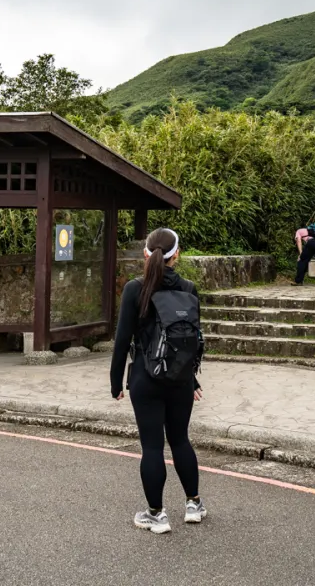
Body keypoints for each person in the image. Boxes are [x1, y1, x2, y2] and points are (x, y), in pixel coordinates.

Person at [110, 228, 205, 534]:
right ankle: (193, 505)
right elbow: (191, 341)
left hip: (144, 379)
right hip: (179, 379)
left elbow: (123, 339)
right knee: (180, 440)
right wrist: (192, 381)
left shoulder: (135, 289)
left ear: (145, 255)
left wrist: (116, 383)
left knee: (152, 447)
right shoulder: (189, 289)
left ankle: (156, 514)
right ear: (177, 255)